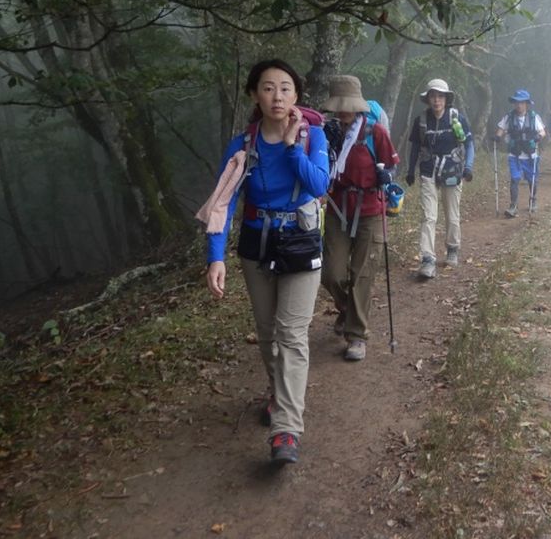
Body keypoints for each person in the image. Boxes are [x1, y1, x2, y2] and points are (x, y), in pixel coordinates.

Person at [198, 59, 329, 465]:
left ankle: (286, 428)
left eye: (286, 88)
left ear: (297, 96)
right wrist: (215, 257)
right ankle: (279, 394)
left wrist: (292, 149)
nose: (278, 96)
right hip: (257, 245)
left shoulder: (314, 137)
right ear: (255, 94)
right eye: (269, 88)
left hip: (301, 243)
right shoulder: (243, 145)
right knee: (269, 334)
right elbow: (223, 201)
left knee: (291, 334)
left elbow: (319, 184)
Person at [319, 76, 399, 362]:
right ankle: (347, 309)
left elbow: (390, 165)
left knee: (362, 274)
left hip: (369, 210)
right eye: (338, 106)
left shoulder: (374, 132)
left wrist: (385, 177)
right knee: (332, 273)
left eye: (347, 106)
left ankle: (356, 336)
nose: (343, 112)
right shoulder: (326, 132)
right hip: (338, 207)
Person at [405, 78, 475, 279]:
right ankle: (427, 259)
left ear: (446, 98)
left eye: (440, 96)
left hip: (453, 171)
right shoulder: (421, 121)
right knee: (429, 216)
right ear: (427, 99)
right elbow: (416, 147)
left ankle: (452, 247)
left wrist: (468, 167)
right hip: (428, 171)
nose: (436, 100)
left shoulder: (457, 118)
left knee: (452, 214)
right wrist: (410, 171)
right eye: (433, 96)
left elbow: (470, 144)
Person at [494, 89, 546, 217]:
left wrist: (539, 137)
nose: (519, 105)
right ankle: (513, 205)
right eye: (517, 102)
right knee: (514, 179)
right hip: (515, 154)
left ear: (527, 104)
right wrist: (497, 137)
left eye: (522, 103)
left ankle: (533, 200)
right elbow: (500, 129)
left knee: (531, 179)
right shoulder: (509, 117)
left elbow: (542, 132)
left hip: (530, 153)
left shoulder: (534, 117)